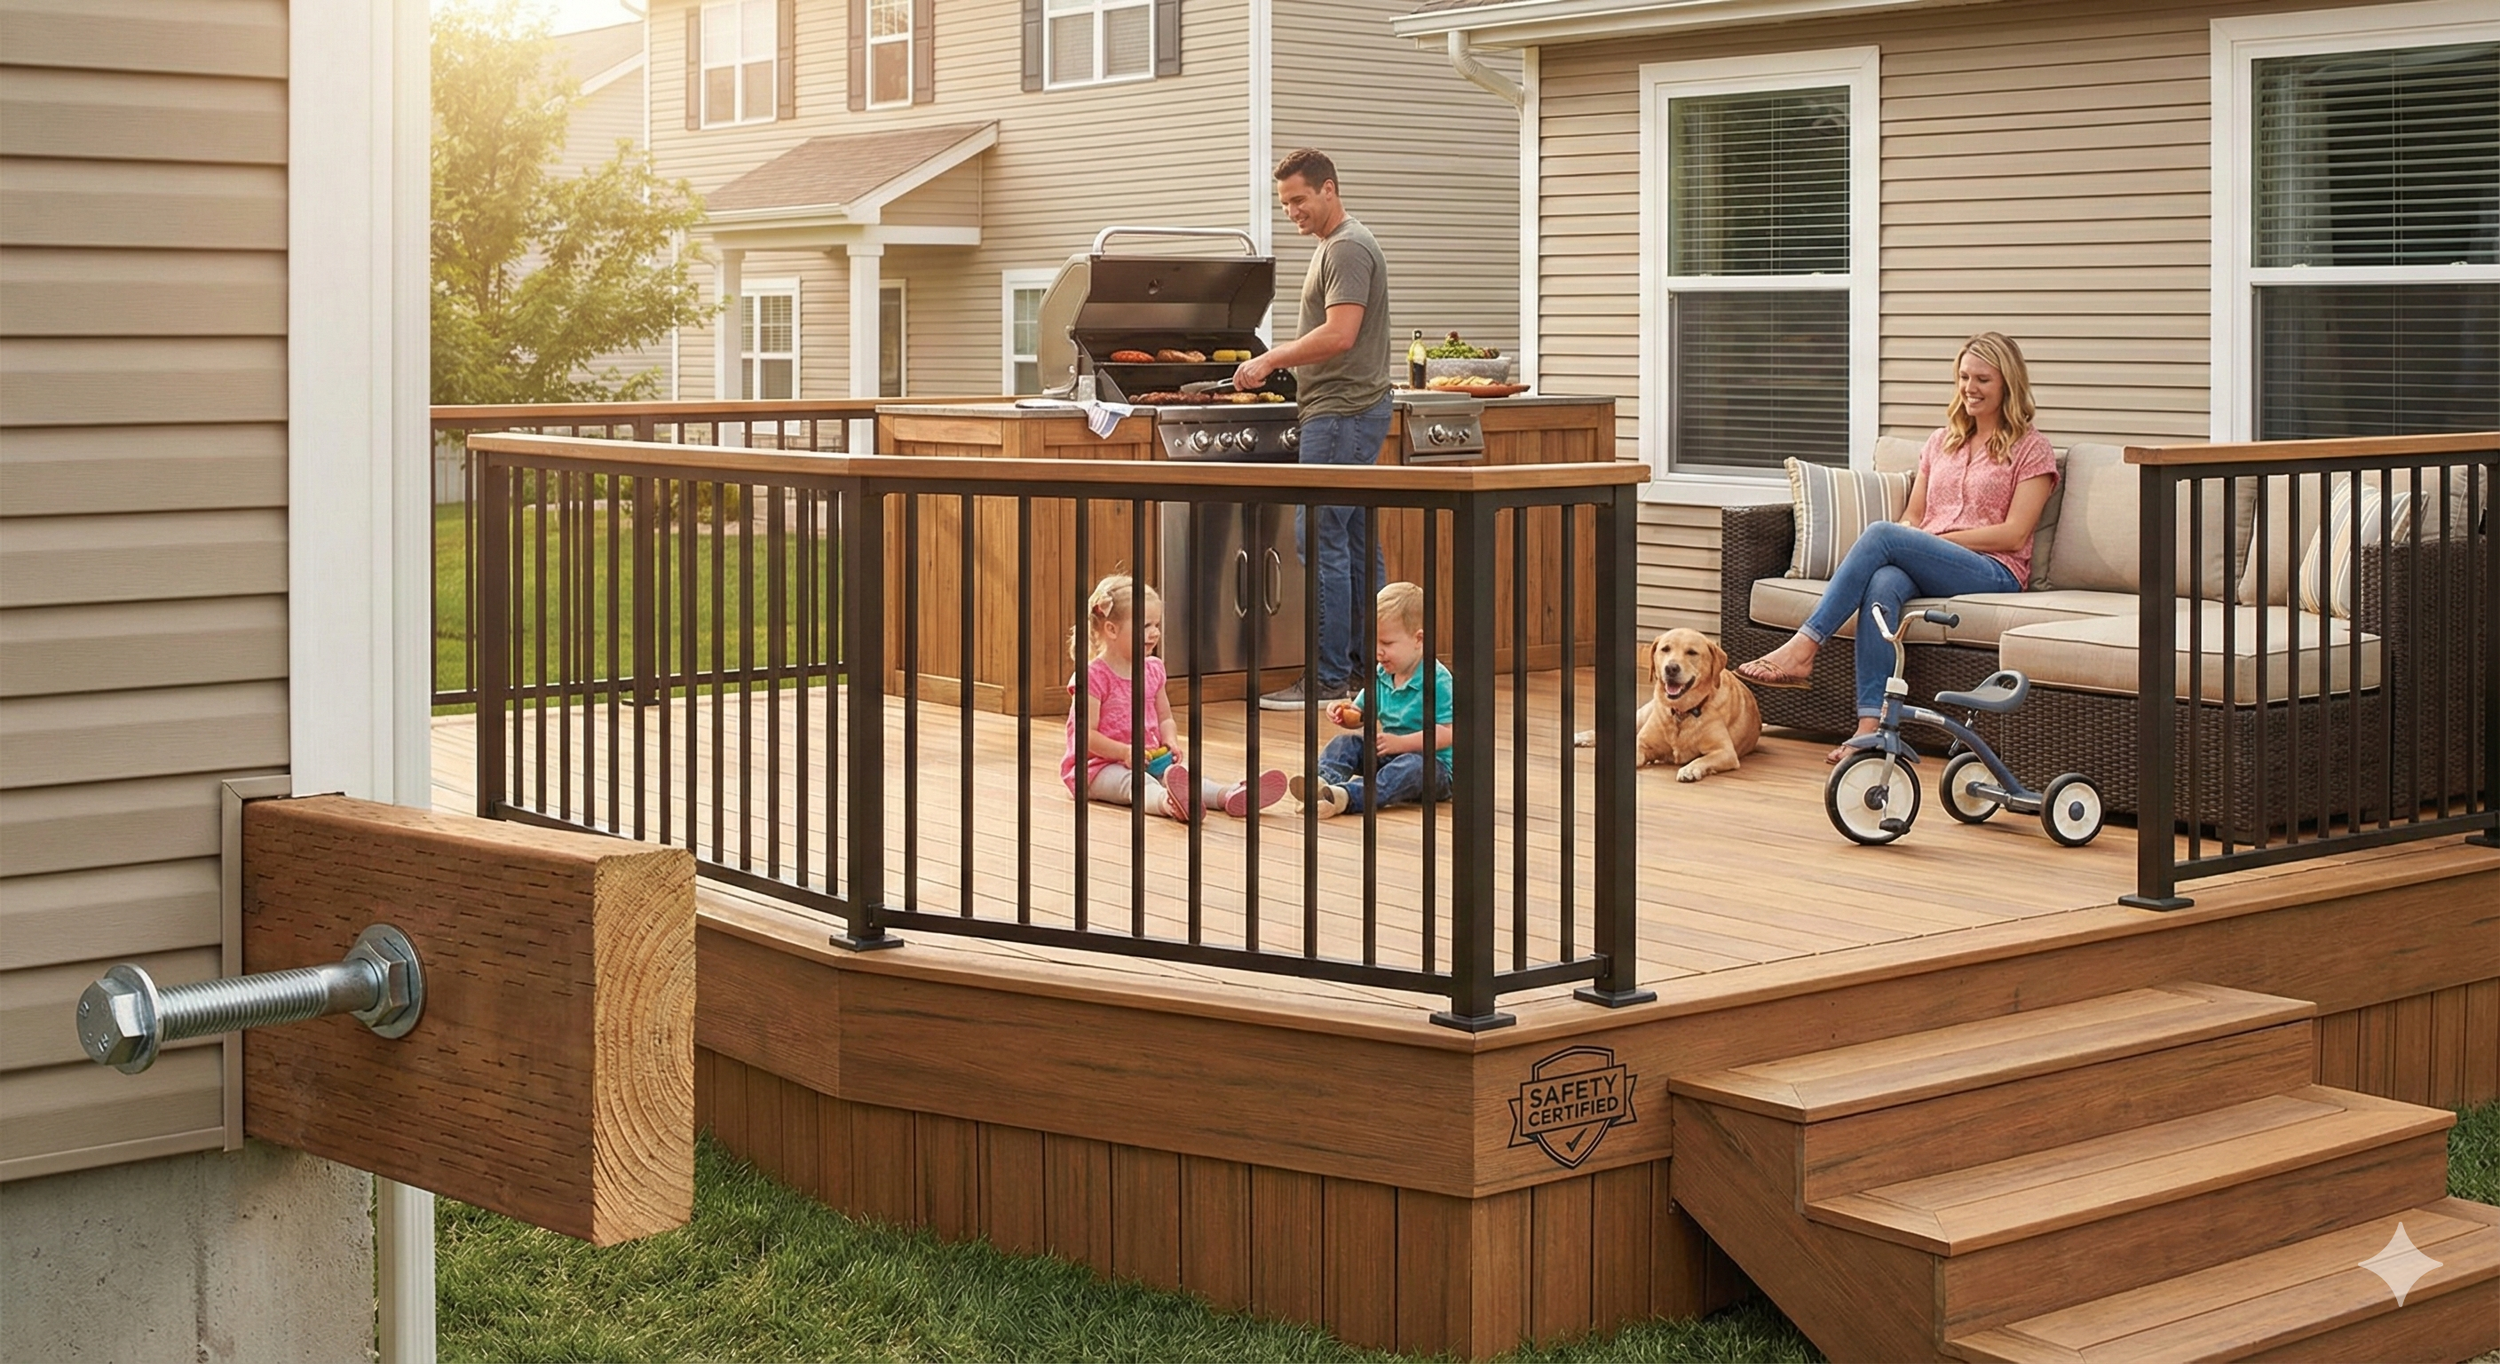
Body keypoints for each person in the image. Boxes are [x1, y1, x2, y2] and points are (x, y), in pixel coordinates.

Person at [1735, 332, 2059, 764]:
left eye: (1983, 378)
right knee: (1883, 584)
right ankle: (1870, 728)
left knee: (1884, 534)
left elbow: (2015, 534)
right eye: (1963, 377)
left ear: (2008, 384)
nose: (1970, 388)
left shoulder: (2031, 448)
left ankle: (1804, 647)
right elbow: (1914, 514)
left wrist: (1928, 542)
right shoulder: (1941, 442)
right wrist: (1915, 537)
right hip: (1933, 557)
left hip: (1993, 568)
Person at [1232, 148, 1393, 711]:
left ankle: (1328, 679)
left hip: (1342, 412)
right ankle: (1371, 674)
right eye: (1285, 204)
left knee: (1322, 541)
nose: (1292, 211)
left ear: (1329, 188)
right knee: (1351, 545)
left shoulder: (1346, 246)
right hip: (1350, 410)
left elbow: (1340, 333)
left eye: (1299, 199)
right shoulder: (1336, 244)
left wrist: (1271, 360)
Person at [1064, 574, 1287, 822]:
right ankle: (1168, 803)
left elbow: (1165, 717)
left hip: (1149, 758)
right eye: (1145, 626)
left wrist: (1170, 741)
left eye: (1156, 625)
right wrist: (1124, 752)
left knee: (1186, 776)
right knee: (1135, 783)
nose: (1155, 633)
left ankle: (1228, 795)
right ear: (1111, 629)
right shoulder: (1092, 677)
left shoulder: (1153, 669)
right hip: (1098, 768)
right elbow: (1086, 736)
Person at [1290, 581, 1453, 817]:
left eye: (1386, 644)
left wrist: (1401, 744)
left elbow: (1447, 733)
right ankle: (1320, 783)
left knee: (1410, 768)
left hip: (1431, 767)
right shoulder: (1382, 674)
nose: (1378, 651)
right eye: (1374, 642)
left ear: (1419, 640)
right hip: (1389, 754)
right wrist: (1344, 713)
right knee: (1344, 744)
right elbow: (1360, 715)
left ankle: (1347, 797)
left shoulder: (1437, 680)